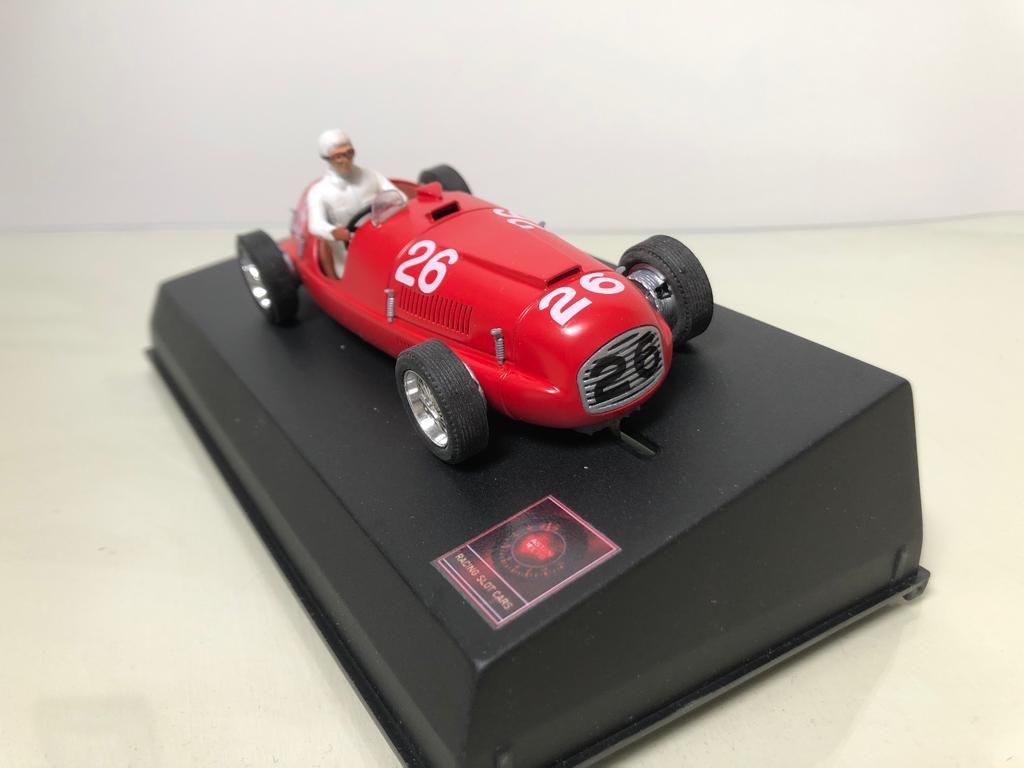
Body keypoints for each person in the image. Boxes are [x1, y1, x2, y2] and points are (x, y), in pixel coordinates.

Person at [306, 129, 405, 278]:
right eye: (338, 156)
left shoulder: (371, 176)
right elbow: (315, 224)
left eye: (349, 153)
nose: (345, 160)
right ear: (327, 158)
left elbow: (400, 196)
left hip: (381, 240)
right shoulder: (319, 192)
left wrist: (388, 208)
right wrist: (334, 232)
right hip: (348, 255)